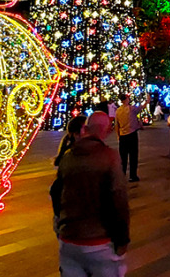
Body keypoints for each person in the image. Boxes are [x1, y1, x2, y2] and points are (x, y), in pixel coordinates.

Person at [55, 111, 130, 277]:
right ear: (107, 130)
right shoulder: (109, 157)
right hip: (98, 240)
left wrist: (59, 226)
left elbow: (57, 194)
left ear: (86, 129)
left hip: (69, 239)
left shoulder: (67, 157)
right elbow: (119, 200)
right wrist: (122, 239)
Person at [115, 92, 145, 182]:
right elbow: (141, 108)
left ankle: (122, 175)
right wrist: (147, 101)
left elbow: (117, 125)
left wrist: (118, 135)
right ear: (126, 99)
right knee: (133, 156)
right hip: (132, 134)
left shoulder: (118, 111)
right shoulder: (131, 109)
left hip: (122, 136)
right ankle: (133, 175)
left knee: (123, 157)